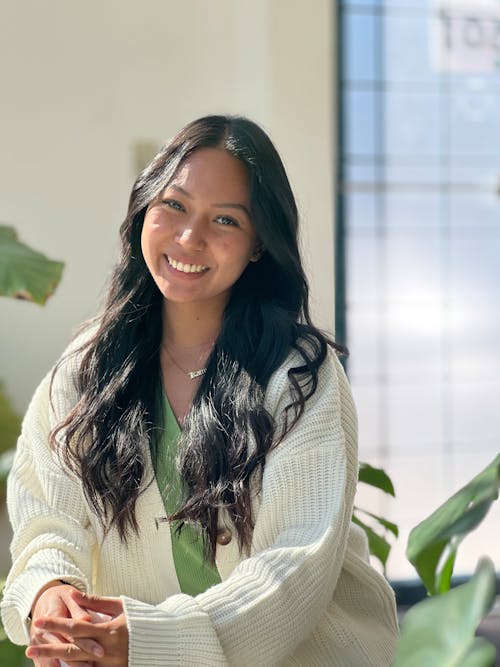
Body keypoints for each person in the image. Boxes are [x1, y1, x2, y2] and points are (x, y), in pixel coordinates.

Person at [1, 115, 399, 666]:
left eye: (226, 220)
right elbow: (48, 520)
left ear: (259, 244)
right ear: (145, 208)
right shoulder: (85, 370)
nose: (190, 237)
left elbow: (294, 567)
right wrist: (52, 595)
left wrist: (147, 640)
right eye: (175, 205)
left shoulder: (300, 374)